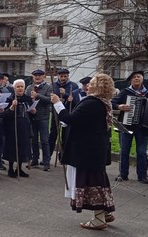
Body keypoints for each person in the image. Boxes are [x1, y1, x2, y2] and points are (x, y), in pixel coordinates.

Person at [51, 73, 116, 230]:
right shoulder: (102, 102)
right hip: (94, 149)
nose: (87, 86)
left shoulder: (92, 103)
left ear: (98, 87)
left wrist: (58, 104)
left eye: (92, 83)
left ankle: (99, 218)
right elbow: (82, 121)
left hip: (87, 151)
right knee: (98, 181)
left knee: (91, 182)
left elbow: (71, 118)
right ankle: (105, 211)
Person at [112, 70, 148, 183]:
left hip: (142, 128)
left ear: (142, 79)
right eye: (134, 77)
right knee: (124, 151)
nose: (137, 79)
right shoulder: (125, 92)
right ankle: (123, 174)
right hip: (126, 126)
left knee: (141, 152)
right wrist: (119, 106)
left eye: (139, 77)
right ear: (131, 80)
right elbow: (112, 103)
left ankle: (142, 176)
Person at [3, 79, 33, 178]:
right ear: (14, 88)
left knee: (22, 147)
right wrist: (12, 107)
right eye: (18, 87)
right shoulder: (10, 99)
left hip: (24, 126)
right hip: (13, 126)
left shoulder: (27, 99)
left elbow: (30, 114)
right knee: (12, 147)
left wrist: (33, 111)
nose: (20, 88)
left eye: (22, 87)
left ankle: (19, 168)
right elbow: (5, 115)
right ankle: (11, 168)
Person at [50, 68, 80, 162]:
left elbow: (75, 100)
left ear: (68, 76)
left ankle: (62, 156)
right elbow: (50, 97)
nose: (63, 78)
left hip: (67, 113)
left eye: (65, 76)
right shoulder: (53, 85)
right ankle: (48, 156)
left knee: (65, 136)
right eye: (61, 76)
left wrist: (66, 95)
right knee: (53, 134)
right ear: (58, 76)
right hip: (56, 112)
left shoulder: (73, 86)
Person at [27, 69, 53, 171]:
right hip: (32, 117)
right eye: (35, 75)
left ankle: (46, 162)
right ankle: (34, 159)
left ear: (43, 76)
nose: (37, 77)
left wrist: (38, 96)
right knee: (33, 140)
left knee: (44, 140)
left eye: (39, 75)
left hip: (43, 117)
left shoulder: (48, 87)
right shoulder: (29, 87)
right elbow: (26, 99)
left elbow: (49, 100)